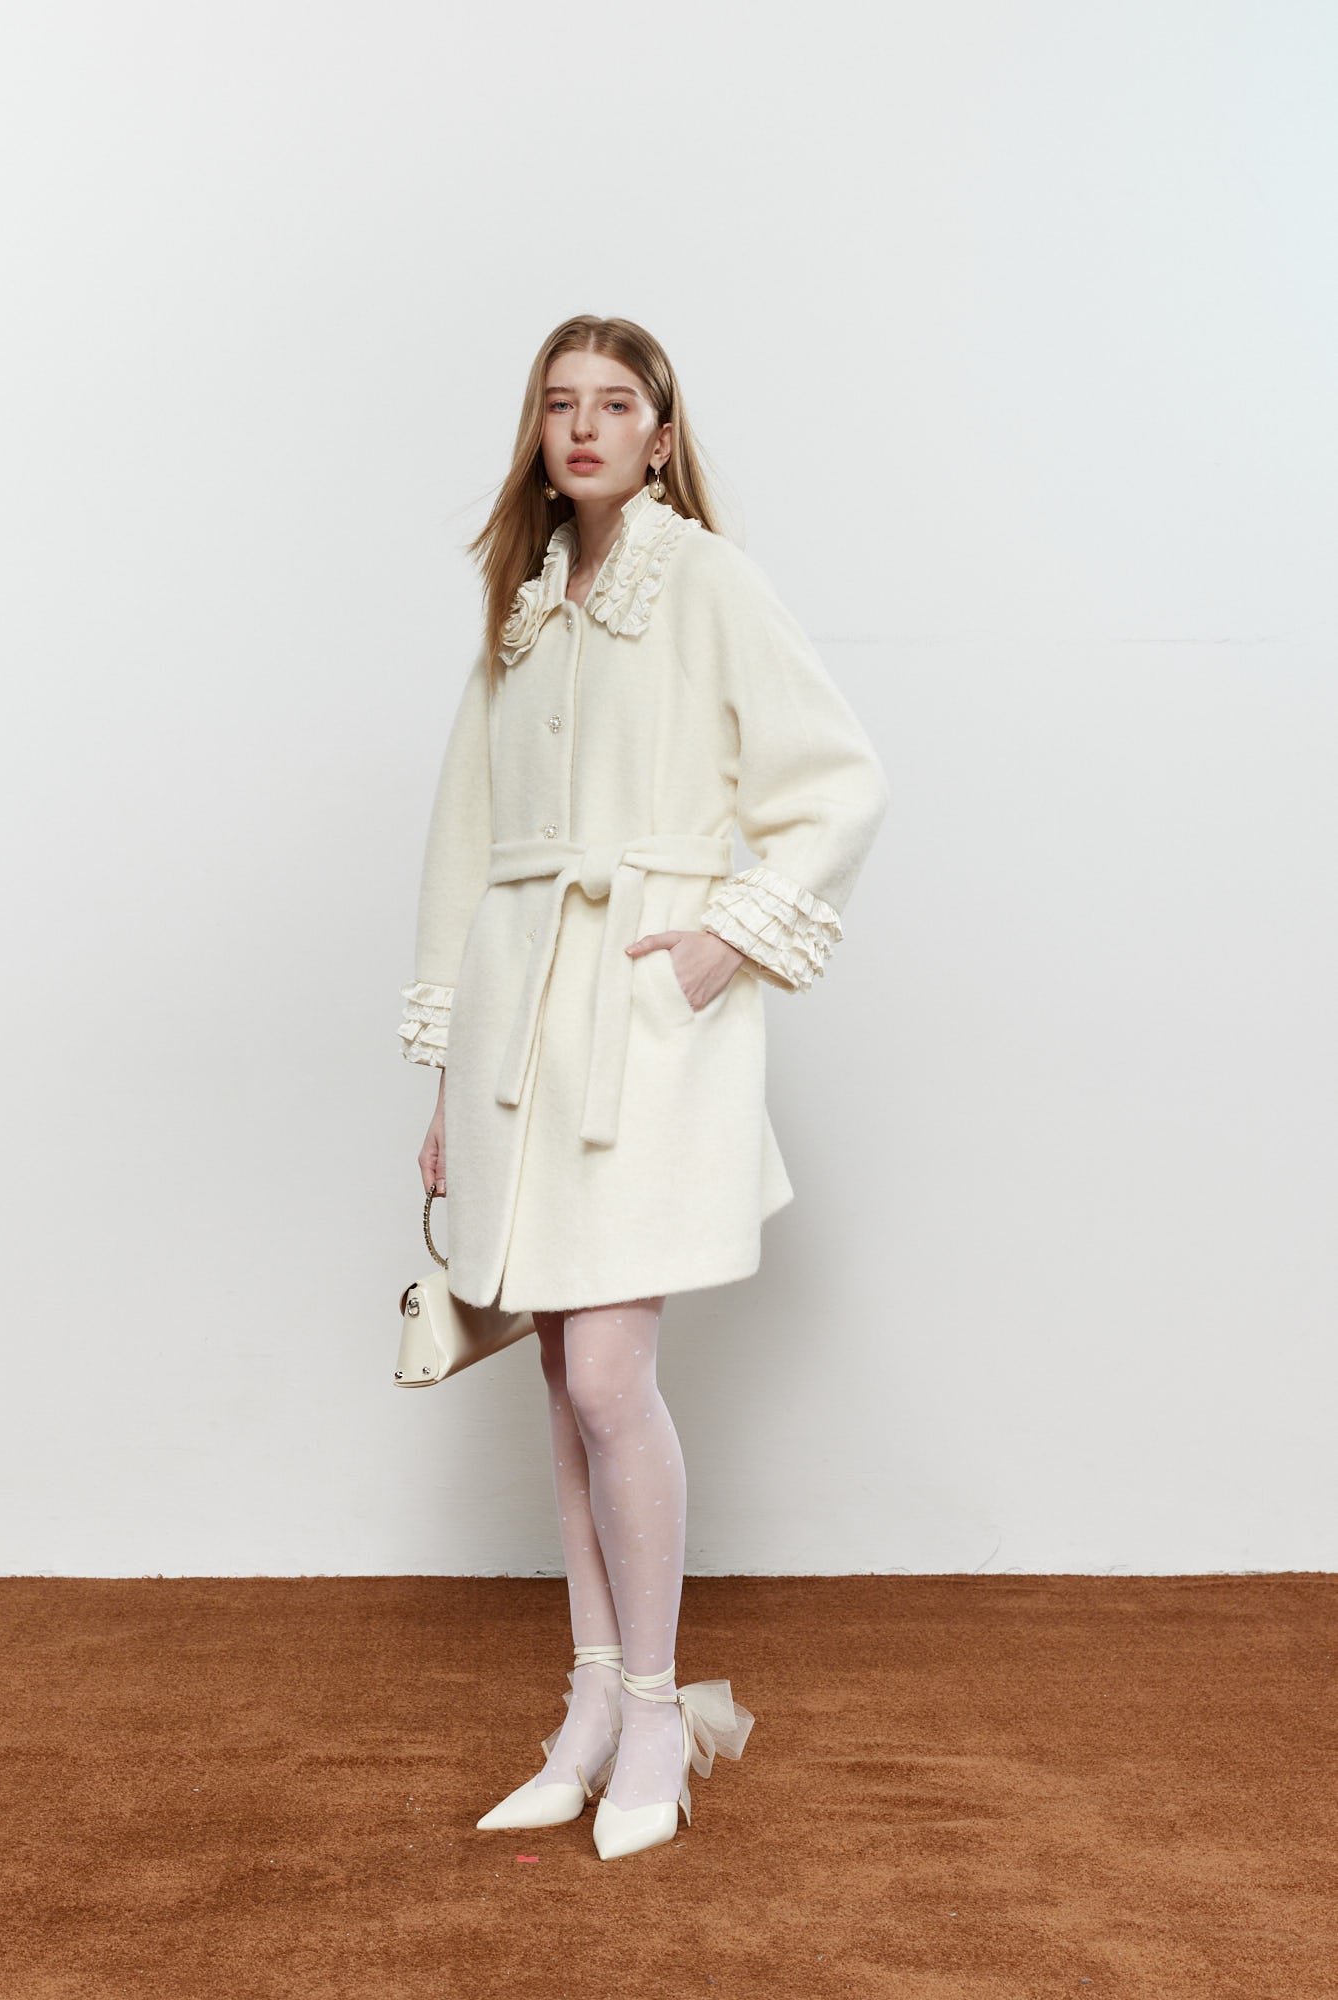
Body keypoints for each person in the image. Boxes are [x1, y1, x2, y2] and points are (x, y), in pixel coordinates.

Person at [397, 315, 890, 1860]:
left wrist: (725, 942)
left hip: (642, 1023)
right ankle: (593, 1705)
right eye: (562, 403)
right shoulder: (523, 609)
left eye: (618, 403)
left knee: (611, 1380)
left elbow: (839, 779)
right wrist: (446, 1078)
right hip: (520, 1034)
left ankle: (663, 1717)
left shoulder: (708, 582)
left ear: (663, 436)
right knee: (561, 1382)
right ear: (538, 433)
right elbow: (463, 845)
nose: (587, 426)